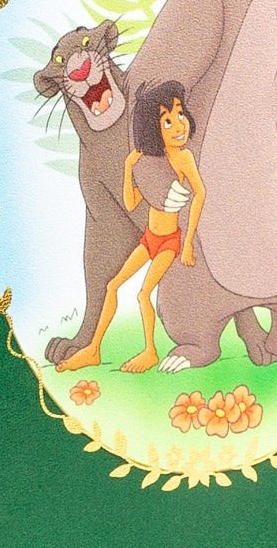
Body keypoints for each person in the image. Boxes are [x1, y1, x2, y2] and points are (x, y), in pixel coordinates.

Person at [54, 80, 204, 373]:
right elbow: (132, 202)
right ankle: (93, 350)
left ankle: (150, 351)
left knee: (143, 294)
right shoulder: (151, 161)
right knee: (112, 286)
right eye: (168, 121)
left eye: (180, 114)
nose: (179, 125)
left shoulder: (184, 158)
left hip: (170, 241)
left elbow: (200, 194)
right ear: (153, 129)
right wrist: (128, 168)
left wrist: (187, 244)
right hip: (150, 238)